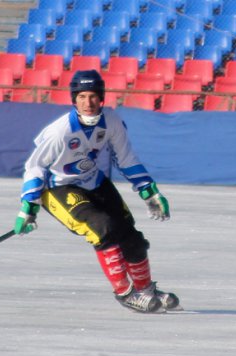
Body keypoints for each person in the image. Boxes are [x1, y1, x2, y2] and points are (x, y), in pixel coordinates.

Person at [14, 70, 180, 314]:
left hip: (94, 181)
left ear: (101, 98)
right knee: (102, 227)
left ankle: (145, 290)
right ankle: (125, 293)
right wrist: (28, 206)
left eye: (93, 96)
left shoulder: (111, 121)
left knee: (130, 235)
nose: (88, 103)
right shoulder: (60, 132)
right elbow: (35, 166)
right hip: (61, 188)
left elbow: (126, 158)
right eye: (81, 97)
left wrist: (149, 191)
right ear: (74, 99)